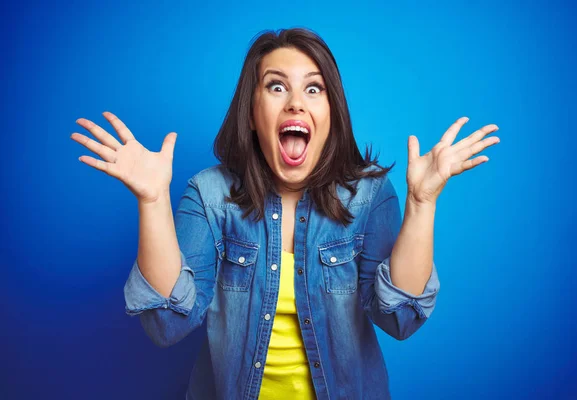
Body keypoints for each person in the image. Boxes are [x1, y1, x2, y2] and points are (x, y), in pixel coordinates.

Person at [70, 27, 500, 400]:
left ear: (331, 112)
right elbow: (166, 324)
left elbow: (399, 318)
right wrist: (151, 200)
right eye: (276, 86)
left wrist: (422, 203)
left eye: (314, 89)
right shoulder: (210, 193)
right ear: (252, 113)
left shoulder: (369, 194)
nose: (296, 102)